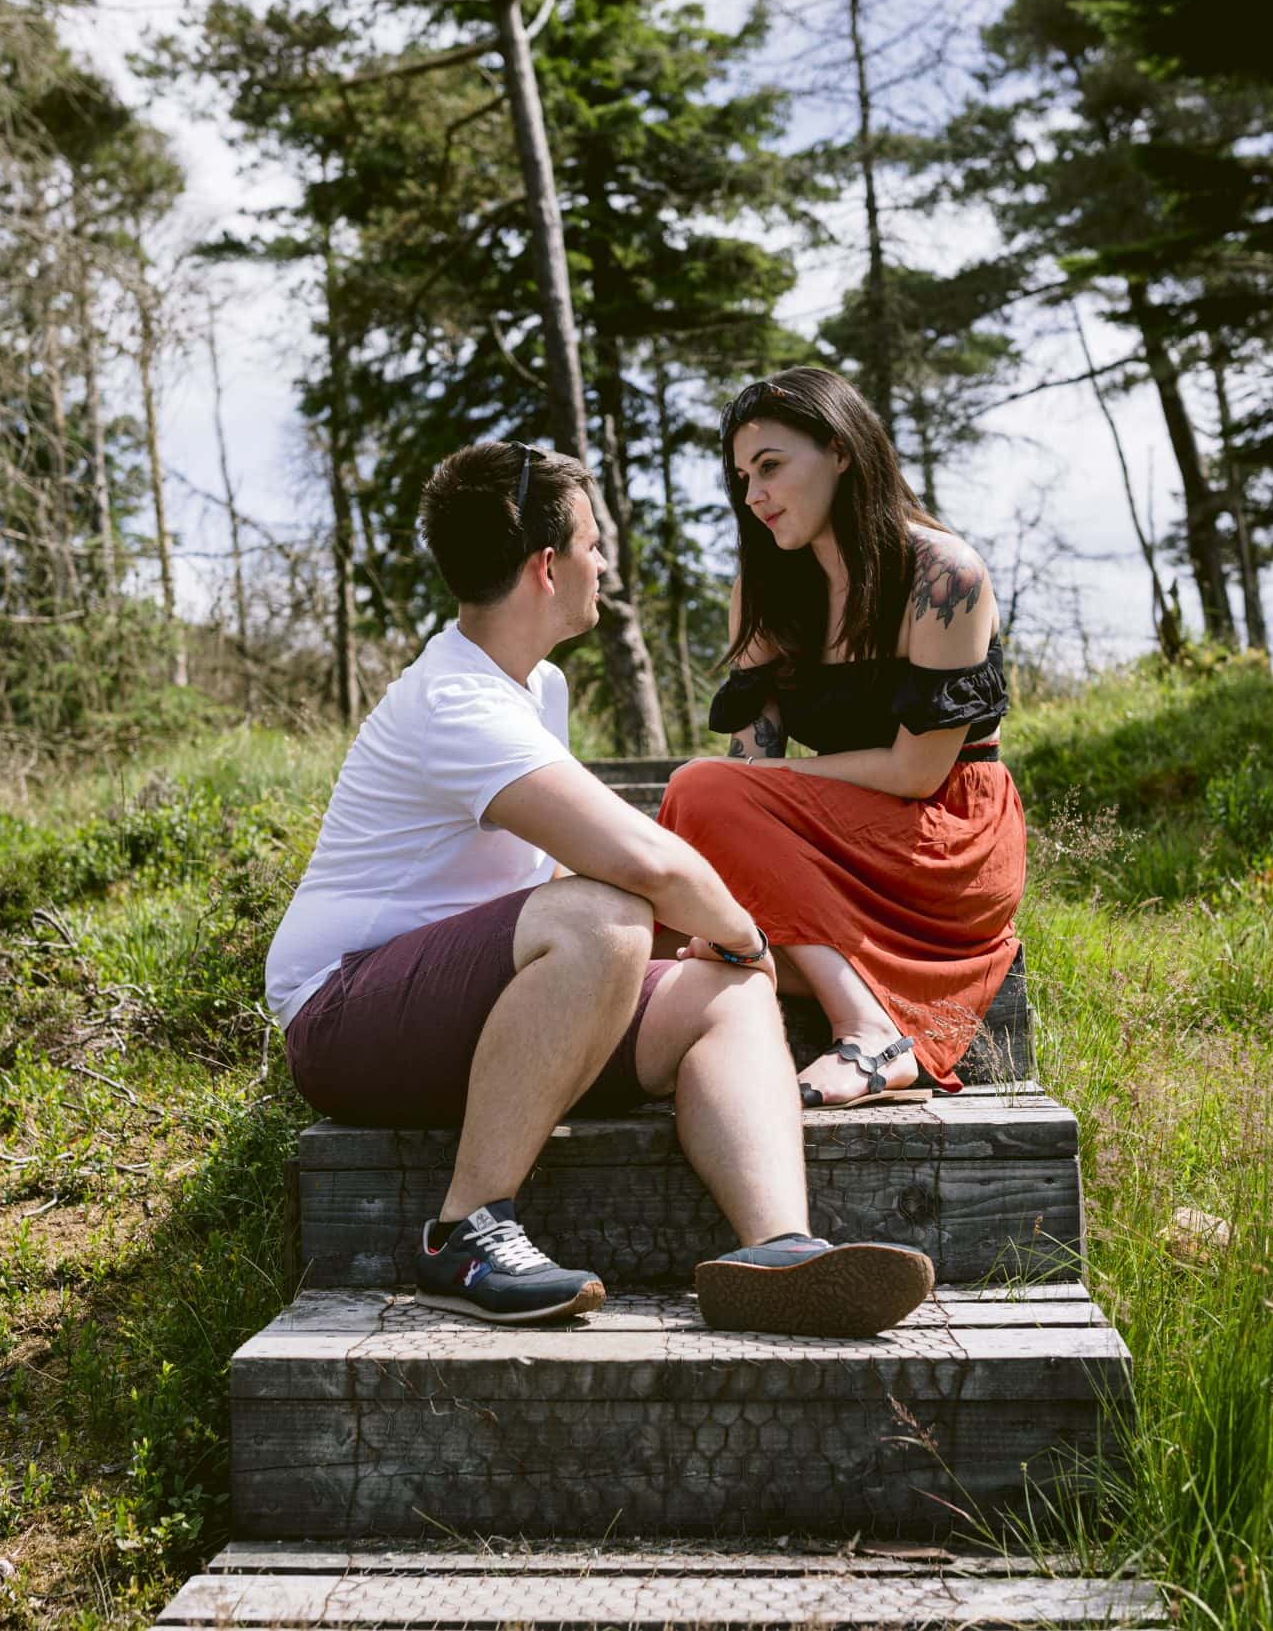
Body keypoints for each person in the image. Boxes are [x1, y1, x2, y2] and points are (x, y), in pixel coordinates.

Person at [263, 439, 933, 1334]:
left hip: (470, 1012)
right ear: (547, 567)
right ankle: (462, 1231)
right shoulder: (454, 702)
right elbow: (644, 864)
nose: (604, 564)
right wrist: (746, 931)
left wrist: (720, 958)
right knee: (612, 914)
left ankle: (779, 1252)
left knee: (723, 995)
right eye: (593, 543)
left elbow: (566, 875)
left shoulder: (535, 684)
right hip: (345, 1012)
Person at [656, 369, 1025, 1110]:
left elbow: (919, 771)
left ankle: (870, 1029)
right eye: (741, 477)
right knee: (684, 850)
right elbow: (750, 772)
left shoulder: (941, 574)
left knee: (698, 788)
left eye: (771, 466)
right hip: (835, 841)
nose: (754, 495)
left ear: (841, 450)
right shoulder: (765, 591)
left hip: (943, 842)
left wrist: (774, 789)